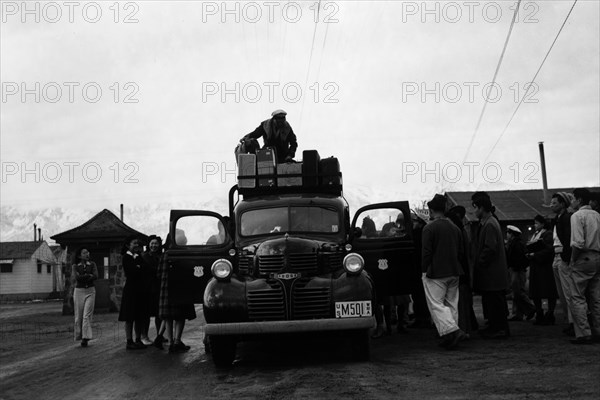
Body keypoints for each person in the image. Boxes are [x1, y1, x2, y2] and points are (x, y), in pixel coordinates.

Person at [421, 194, 465, 349]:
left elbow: (426, 253)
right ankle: (450, 337)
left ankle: (453, 331)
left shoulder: (429, 228)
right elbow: (460, 251)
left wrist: (424, 270)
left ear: (431, 210)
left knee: (436, 305)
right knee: (451, 304)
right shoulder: (455, 228)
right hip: (454, 270)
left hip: (436, 273)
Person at [471, 191, 510, 339]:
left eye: (475, 208)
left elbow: (490, 248)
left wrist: (480, 262)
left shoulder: (489, 224)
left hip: (492, 273)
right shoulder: (490, 222)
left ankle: (499, 329)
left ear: (481, 208)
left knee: (496, 302)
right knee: (494, 302)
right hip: (492, 273)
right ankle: (495, 327)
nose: (474, 211)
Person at [565, 188, 600, 344]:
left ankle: (584, 333)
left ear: (579, 200)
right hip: (597, 257)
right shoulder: (597, 215)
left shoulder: (577, 216)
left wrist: (572, 261)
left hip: (583, 257)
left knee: (577, 297)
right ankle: (598, 331)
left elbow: (578, 243)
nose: (571, 201)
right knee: (597, 297)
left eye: (573, 198)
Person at [158, 229, 197, 353]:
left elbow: (158, 274)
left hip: (166, 289)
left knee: (168, 317)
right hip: (180, 288)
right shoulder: (183, 253)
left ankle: (170, 343)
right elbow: (189, 271)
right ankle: (177, 341)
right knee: (180, 317)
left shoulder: (165, 254)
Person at [446, 205, 477, 335]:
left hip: (460, 270)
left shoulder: (458, 230)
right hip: (463, 270)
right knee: (463, 302)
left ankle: (463, 329)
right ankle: (468, 327)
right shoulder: (462, 229)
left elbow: (461, 252)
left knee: (460, 303)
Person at [118, 236, 149, 350]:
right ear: (128, 245)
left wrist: (139, 267)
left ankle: (138, 339)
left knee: (139, 316)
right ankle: (129, 341)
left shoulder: (138, 256)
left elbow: (145, 268)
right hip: (131, 290)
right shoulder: (126, 257)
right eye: (134, 243)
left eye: (137, 243)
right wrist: (139, 268)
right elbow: (132, 272)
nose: (136, 245)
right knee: (129, 316)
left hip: (139, 289)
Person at [549, 192, 574, 334]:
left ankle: (573, 322)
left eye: (554, 203)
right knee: (562, 293)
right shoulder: (558, 219)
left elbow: (567, 238)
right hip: (557, 256)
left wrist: (566, 256)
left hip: (563, 256)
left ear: (563, 204)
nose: (552, 205)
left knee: (568, 291)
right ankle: (569, 320)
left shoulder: (566, 218)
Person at [526, 215, 558, 325]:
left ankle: (549, 313)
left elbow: (549, 250)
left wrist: (535, 254)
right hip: (538, 265)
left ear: (542, 224)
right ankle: (541, 312)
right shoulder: (537, 234)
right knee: (538, 291)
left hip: (544, 266)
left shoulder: (547, 234)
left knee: (548, 291)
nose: (535, 225)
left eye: (536, 223)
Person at [504, 225, 536, 321]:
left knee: (518, 292)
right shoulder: (516, 243)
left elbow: (517, 258)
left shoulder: (516, 244)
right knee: (517, 292)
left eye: (508, 233)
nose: (507, 235)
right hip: (517, 269)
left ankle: (530, 308)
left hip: (517, 270)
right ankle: (518, 314)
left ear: (512, 234)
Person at [71, 247, 98, 347]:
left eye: (88, 252)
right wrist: (88, 276)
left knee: (87, 315)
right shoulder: (75, 266)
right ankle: (79, 335)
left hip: (90, 291)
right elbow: (77, 277)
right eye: (84, 253)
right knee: (79, 316)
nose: (87, 254)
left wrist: (85, 276)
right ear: (79, 255)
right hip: (79, 292)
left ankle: (85, 338)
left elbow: (95, 275)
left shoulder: (93, 264)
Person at [141, 235, 164, 347]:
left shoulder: (161, 256)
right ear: (148, 244)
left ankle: (160, 335)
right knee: (146, 313)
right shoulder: (144, 256)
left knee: (159, 313)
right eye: (152, 243)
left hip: (159, 287)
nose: (154, 245)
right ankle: (144, 336)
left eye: (156, 243)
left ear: (159, 245)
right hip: (147, 288)